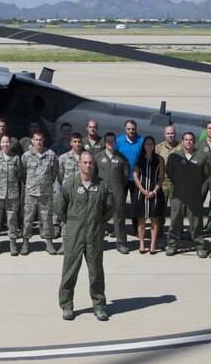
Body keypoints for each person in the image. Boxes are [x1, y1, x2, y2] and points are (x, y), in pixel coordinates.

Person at [55, 151, 115, 321]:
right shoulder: (70, 185)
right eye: (85, 162)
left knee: (96, 271)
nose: (88, 165)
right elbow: (59, 207)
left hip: (94, 233)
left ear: (94, 165)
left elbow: (110, 207)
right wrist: (73, 222)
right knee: (70, 270)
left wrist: (98, 221)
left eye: (91, 163)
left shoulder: (102, 185)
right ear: (79, 164)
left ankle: (99, 306)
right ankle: (66, 305)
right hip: (75, 233)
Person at [166, 132, 208, 258]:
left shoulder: (201, 156)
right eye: (186, 139)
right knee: (175, 220)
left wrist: (194, 183)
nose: (188, 142)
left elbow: (205, 173)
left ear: (194, 142)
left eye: (191, 140)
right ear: (182, 141)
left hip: (194, 193)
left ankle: (199, 245)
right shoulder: (175, 156)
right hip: (178, 193)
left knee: (196, 221)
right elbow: (169, 172)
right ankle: (172, 244)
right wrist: (179, 182)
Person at [20, 131, 58, 255]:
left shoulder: (51, 155)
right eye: (36, 140)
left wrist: (46, 183)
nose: (38, 142)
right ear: (32, 140)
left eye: (40, 140)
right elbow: (23, 173)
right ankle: (25, 244)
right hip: (31, 193)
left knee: (47, 219)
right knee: (27, 219)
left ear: (44, 140)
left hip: (46, 193)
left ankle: (49, 243)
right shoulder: (26, 156)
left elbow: (54, 173)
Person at [0, 135, 23, 256]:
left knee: (12, 220)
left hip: (12, 194)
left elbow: (18, 174)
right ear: (0, 144)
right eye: (3, 142)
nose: (6, 144)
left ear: (10, 144)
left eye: (8, 142)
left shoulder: (16, 158)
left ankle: (13, 245)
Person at [95, 132, 130, 254]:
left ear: (115, 142)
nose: (110, 143)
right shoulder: (98, 157)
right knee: (98, 216)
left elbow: (126, 174)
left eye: (112, 140)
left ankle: (121, 243)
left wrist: (118, 185)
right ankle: (98, 242)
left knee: (119, 216)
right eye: (108, 140)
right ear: (105, 142)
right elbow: (93, 172)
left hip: (117, 188)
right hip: (102, 189)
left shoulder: (121, 158)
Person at [132, 135, 166, 254]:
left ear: (154, 145)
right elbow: (135, 175)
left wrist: (154, 191)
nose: (149, 146)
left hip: (155, 192)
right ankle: (141, 243)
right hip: (141, 192)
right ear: (144, 146)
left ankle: (152, 244)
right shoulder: (139, 158)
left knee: (154, 218)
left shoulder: (159, 159)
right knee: (141, 218)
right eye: (147, 144)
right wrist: (142, 190)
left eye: (151, 143)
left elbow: (161, 177)